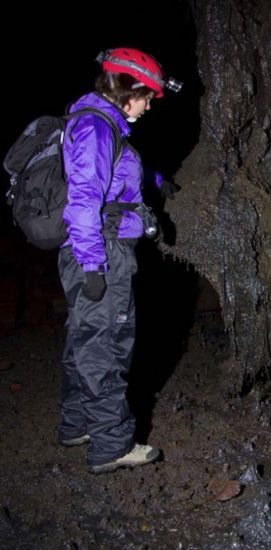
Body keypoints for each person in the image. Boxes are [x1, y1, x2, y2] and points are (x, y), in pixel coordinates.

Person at [57, 47, 180, 474]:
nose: (148, 107)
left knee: (85, 340)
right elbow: (83, 200)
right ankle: (111, 445)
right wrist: (92, 265)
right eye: (148, 98)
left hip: (99, 247)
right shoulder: (95, 127)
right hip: (100, 251)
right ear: (129, 90)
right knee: (106, 347)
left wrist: (157, 181)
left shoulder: (103, 125)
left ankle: (77, 425)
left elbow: (114, 178)